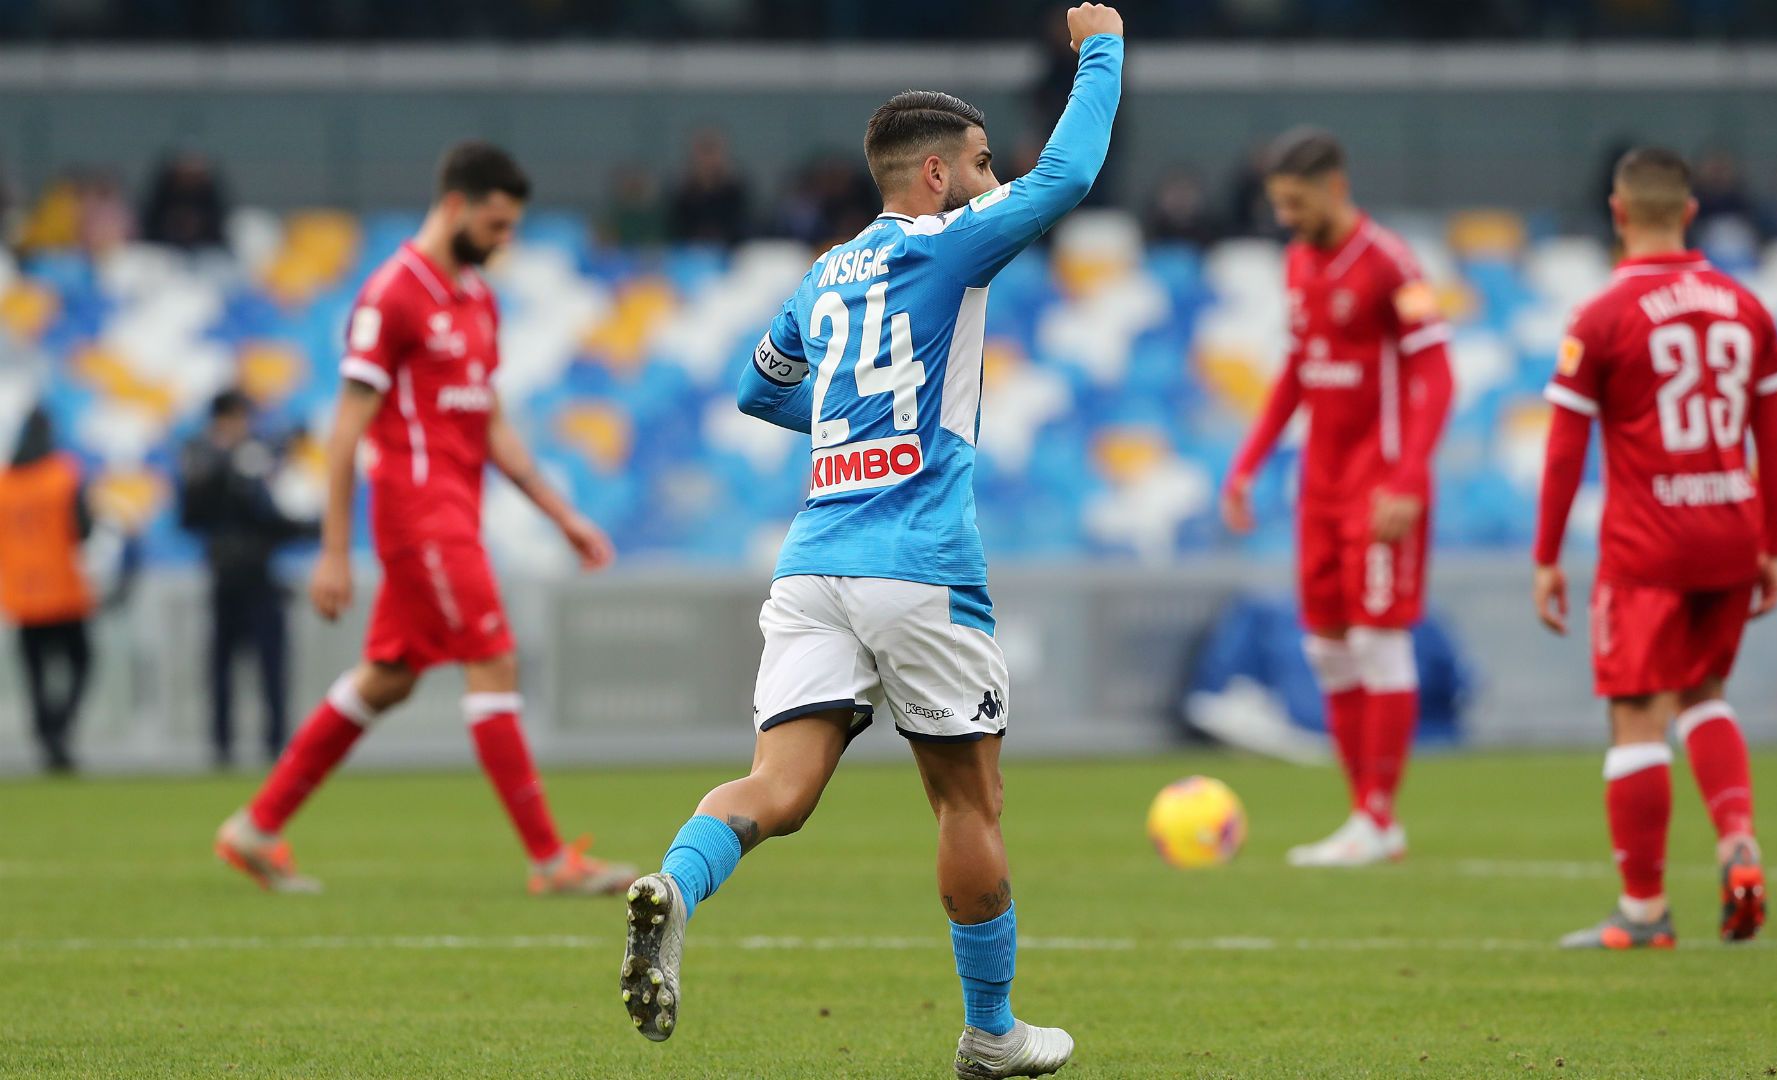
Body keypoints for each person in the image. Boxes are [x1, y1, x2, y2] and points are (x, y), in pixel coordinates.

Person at [617, 8, 1124, 1077]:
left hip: (812, 564)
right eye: (983, 165)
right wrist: (1103, 43)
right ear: (934, 175)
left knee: (777, 790)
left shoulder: (825, 272)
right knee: (966, 800)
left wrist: (851, 421)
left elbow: (760, 386)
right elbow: (1072, 176)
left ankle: (674, 879)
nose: (996, 181)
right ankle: (992, 1034)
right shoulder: (955, 242)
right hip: (920, 565)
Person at [213, 141, 637, 897]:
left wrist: (561, 515)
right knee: (494, 659)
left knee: (389, 678)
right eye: (497, 225)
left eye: (512, 228)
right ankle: (549, 860)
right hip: (418, 515)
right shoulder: (392, 295)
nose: (505, 241)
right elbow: (345, 432)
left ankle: (256, 826)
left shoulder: (478, 299)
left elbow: (493, 425)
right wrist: (336, 551)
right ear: (456, 206)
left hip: (458, 512)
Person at [1533, 147, 1777, 949]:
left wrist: (1546, 554)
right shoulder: (1745, 306)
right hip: (1731, 531)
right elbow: (1775, 440)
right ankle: (1737, 840)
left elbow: (1565, 451)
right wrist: (1771, 543)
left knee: (1637, 717)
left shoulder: (1603, 315)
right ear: (1689, 212)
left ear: (1618, 214)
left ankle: (1644, 910)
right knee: (1703, 693)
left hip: (1648, 544)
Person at [1220, 129, 1455, 868]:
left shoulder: (1390, 263)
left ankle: (1377, 816)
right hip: (1318, 486)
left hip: (1379, 483)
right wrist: (1247, 465)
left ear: (1334, 186)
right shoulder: (1299, 261)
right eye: (1278, 204)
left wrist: (1410, 476)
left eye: (1296, 202)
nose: (1286, 216)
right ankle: (1364, 817)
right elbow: (1298, 369)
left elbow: (1438, 375)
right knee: (1326, 647)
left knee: (1379, 641)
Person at [178, 390, 319, 766]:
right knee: (222, 668)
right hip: (225, 577)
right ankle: (221, 747)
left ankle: (276, 744)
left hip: (261, 574)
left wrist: (306, 527)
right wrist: (229, 469)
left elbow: (274, 517)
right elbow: (191, 515)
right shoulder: (202, 456)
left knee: (273, 665)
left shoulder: (260, 456)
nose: (240, 426)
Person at [0, 409, 94, 773]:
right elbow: (82, 529)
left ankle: (47, 735)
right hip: (63, 590)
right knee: (81, 662)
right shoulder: (62, 474)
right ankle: (60, 727)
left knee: (35, 674)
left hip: (23, 593)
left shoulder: (6, 483)